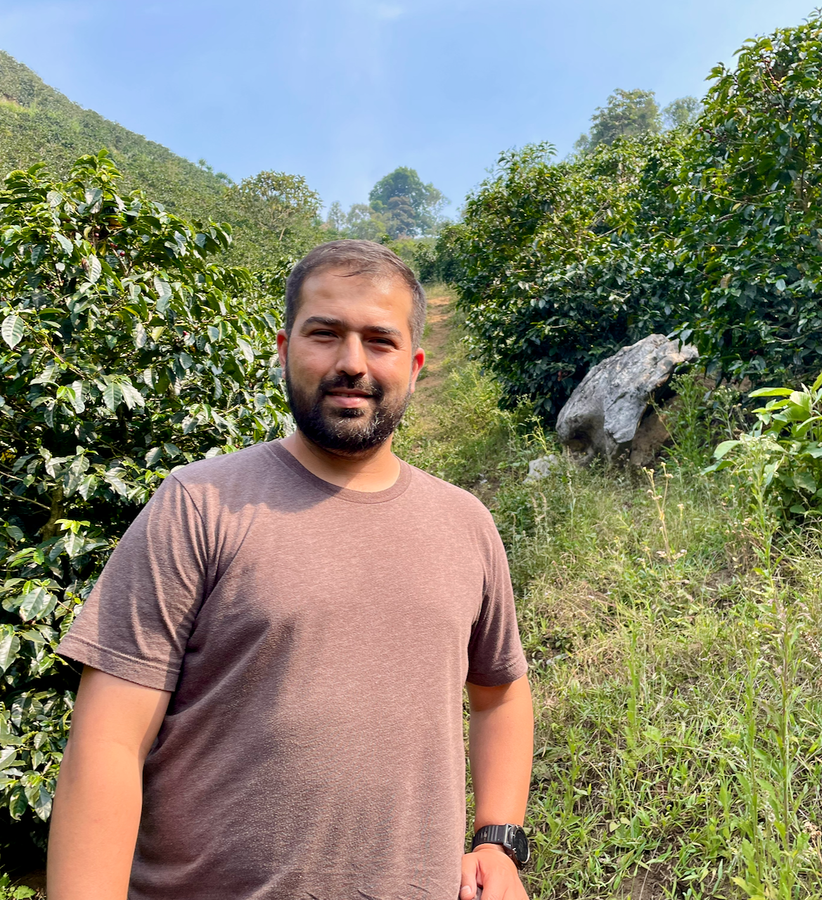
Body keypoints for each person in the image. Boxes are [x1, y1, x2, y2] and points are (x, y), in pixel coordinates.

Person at [47, 240, 534, 900]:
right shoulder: (199, 505)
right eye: (325, 334)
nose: (352, 362)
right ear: (283, 350)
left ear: (415, 365)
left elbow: (500, 691)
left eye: (380, 341)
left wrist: (498, 840)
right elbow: (107, 743)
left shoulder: (465, 523)